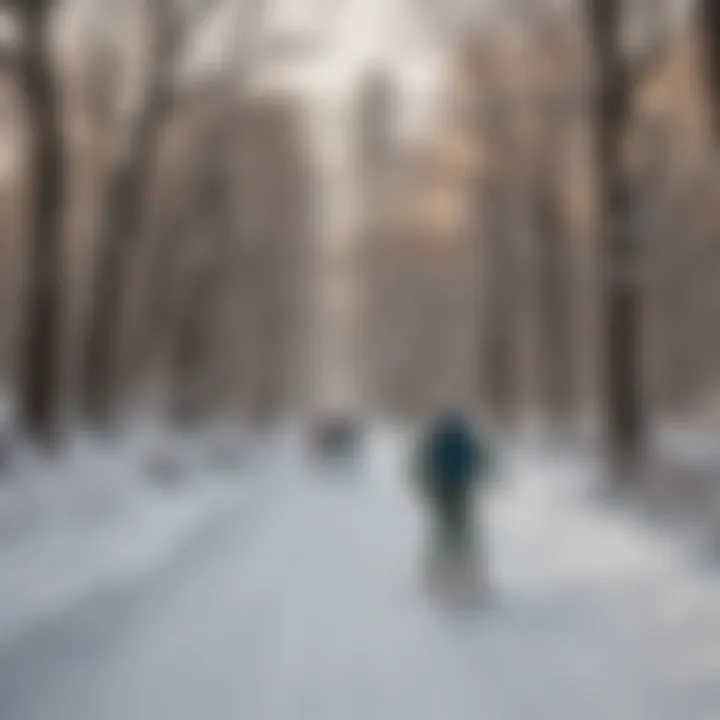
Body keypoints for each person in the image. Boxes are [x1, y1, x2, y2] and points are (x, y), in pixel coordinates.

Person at [415, 410, 492, 605]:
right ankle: (471, 582)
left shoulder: (436, 439)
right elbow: (481, 462)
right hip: (462, 493)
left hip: (442, 494)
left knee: (443, 536)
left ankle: (436, 579)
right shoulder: (465, 439)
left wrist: (427, 486)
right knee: (464, 536)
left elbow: (422, 465)